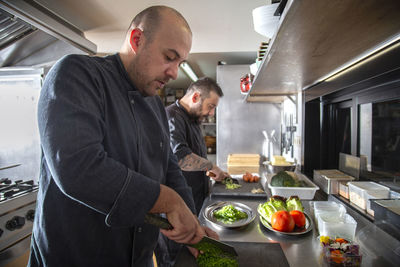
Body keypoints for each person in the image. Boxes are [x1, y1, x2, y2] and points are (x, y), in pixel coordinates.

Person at [29, 5, 217, 267]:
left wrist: (192, 228)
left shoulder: (154, 106)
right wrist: (168, 201)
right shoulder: (77, 74)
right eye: (169, 57)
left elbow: (171, 171)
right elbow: (78, 168)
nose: (174, 72)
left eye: (180, 63)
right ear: (137, 40)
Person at [155, 77, 229, 266]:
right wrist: (211, 167)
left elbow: (195, 156)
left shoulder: (194, 119)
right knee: (177, 261)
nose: (211, 112)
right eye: (210, 106)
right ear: (196, 96)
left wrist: (208, 172)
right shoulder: (172, 117)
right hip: (174, 211)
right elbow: (180, 158)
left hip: (193, 203)